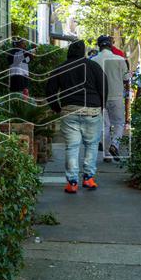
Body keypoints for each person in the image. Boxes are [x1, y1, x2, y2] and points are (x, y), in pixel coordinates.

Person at [45, 40, 106, 193]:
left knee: (72, 147)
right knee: (91, 145)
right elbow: (104, 87)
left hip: (69, 110)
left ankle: (72, 182)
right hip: (92, 110)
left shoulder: (60, 68)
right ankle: (88, 178)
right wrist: (101, 106)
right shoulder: (93, 66)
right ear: (83, 52)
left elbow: (50, 90)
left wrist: (57, 108)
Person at [93, 35, 128, 162]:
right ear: (110, 45)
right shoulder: (120, 59)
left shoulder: (94, 60)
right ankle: (114, 145)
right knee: (119, 124)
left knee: (105, 126)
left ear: (99, 46)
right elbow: (126, 78)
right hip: (116, 96)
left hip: (100, 98)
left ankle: (107, 155)